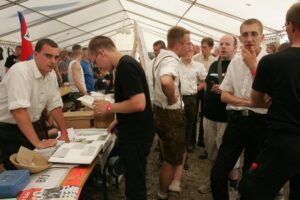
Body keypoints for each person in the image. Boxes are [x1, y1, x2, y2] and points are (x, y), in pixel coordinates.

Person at [239, 3, 300, 199]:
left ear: (290, 26)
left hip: (284, 140)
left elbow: (256, 101)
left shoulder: (272, 61)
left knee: (253, 190)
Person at [89, 36, 154, 200]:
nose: (98, 67)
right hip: (135, 132)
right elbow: (130, 100)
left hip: (136, 136)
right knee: (133, 180)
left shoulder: (125, 67)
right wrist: (118, 119)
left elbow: (139, 103)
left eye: (95, 62)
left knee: (135, 185)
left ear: (101, 53)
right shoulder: (125, 64)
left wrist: (109, 107)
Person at [210, 18, 268, 200]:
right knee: (218, 173)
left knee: (251, 176)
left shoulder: (270, 61)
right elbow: (224, 95)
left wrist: (253, 67)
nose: (249, 38)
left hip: (260, 124)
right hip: (236, 121)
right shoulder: (235, 62)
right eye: (245, 34)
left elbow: (270, 98)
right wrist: (250, 102)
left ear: (262, 37)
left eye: (254, 34)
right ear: (240, 38)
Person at [0, 38, 70, 170]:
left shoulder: (51, 75)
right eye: (48, 56)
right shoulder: (20, 71)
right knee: (19, 171)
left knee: (41, 165)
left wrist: (64, 132)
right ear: (35, 54)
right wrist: (37, 142)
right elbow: (18, 111)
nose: (53, 61)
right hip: (9, 129)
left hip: (34, 124)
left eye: (56, 57)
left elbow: (55, 104)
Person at [152, 26, 190, 200]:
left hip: (160, 111)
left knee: (171, 153)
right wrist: (173, 98)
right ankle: (163, 193)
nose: (189, 47)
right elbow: (166, 81)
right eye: (187, 44)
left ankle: (168, 188)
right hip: (170, 113)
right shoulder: (171, 60)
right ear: (179, 44)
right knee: (170, 159)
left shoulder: (159, 57)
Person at [198, 34, 240, 194]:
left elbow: (245, 92)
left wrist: (225, 89)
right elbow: (208, 86)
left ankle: (233, 186)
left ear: (235, 47)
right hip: (209, 117)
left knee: (230, 156)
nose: (223, 46)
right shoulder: (214, 65)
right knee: (212, 153)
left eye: (227, 44)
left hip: (227, 119)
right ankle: (214, 181)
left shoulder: (239, 65)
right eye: (221, 43)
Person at [179, 46, 206, 153]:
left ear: (193, 52)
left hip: (191, 98)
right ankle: (178, 149)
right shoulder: (175, 64)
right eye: (186, 50)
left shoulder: (199, 66)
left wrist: (196, 89)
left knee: (190, 123)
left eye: (190, 51)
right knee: (178, 124)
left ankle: (186, 149)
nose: (188, 52)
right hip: (177, 97)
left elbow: (205, 81)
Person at [193, 37, 217, 157]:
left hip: (207, 91)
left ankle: (201, 139)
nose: (203, 49)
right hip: (196, 88)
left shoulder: (214, 60)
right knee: (193, 114)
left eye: (205, 47)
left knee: (204, 114)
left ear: (211, 47)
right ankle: (191, 141)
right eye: (202, 47)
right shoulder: (195, 58)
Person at [68, 44, 88, 110]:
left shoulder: (73, 63)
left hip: (77, 93)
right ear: (81, 53)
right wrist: (86, 94)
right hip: (77, 94)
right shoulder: (75, 64)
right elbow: (77, 82)